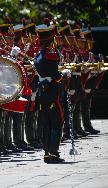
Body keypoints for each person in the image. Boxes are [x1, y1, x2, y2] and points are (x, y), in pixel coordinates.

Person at [34, 18, 69, 163]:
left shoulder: (38, 55)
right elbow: (56, 76)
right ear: (51, 39)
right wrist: (65, 75)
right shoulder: (51, 54)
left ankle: (47, 151)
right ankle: (53, 152)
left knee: (46, 122)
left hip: (42, 93)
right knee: (57, 121)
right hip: (52, 93)